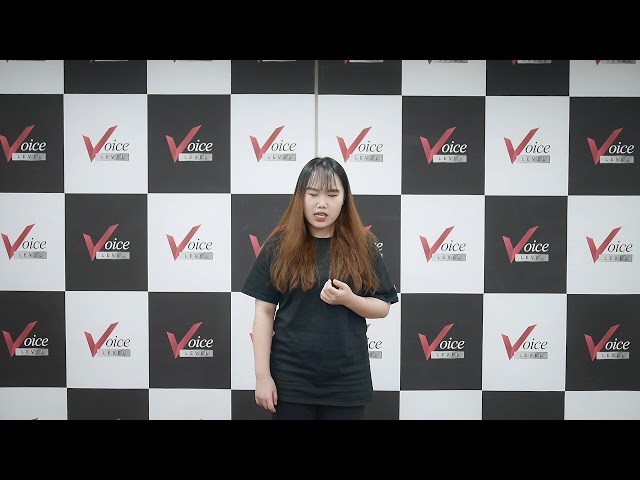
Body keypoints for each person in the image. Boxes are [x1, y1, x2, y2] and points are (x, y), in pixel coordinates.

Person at [241, 156, 398, 420]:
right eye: (312, 194)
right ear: (300, 197)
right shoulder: (278, 246)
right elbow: (264, 313)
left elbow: (382, 307)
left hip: (347, 381)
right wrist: (262, 376)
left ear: (344, 199)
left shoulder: (363, 246)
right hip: (290, 380)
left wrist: (349, 299)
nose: (321, 203)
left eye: (332, 195)